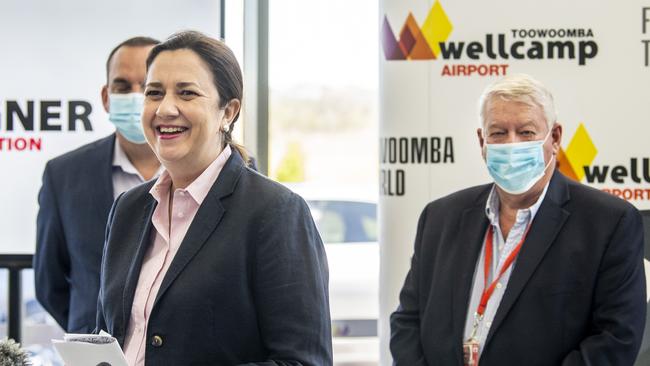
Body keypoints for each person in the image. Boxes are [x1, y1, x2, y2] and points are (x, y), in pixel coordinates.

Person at [95, 31, 332, 365]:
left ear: (228, 112)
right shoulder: (127, 210)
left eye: (187, 93)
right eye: (154, 93)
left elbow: (303, 361)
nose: (165, 108)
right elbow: (109, 335)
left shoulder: (274, 211)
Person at [390, 74, 646, 365]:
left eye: (526, 132)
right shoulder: (440, 218)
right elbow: (407, 322)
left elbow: (614, 340)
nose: (511, 145)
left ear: (555, 138)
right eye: (498, 133)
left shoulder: (608, 223)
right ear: (481, 140)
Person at [34, 36, 161, 333]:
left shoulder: (212, 172)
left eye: (147, 87)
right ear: (106, 97)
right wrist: (89, 335)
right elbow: (48, 284)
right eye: (122, 86)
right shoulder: (63, 175)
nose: (134, 96)